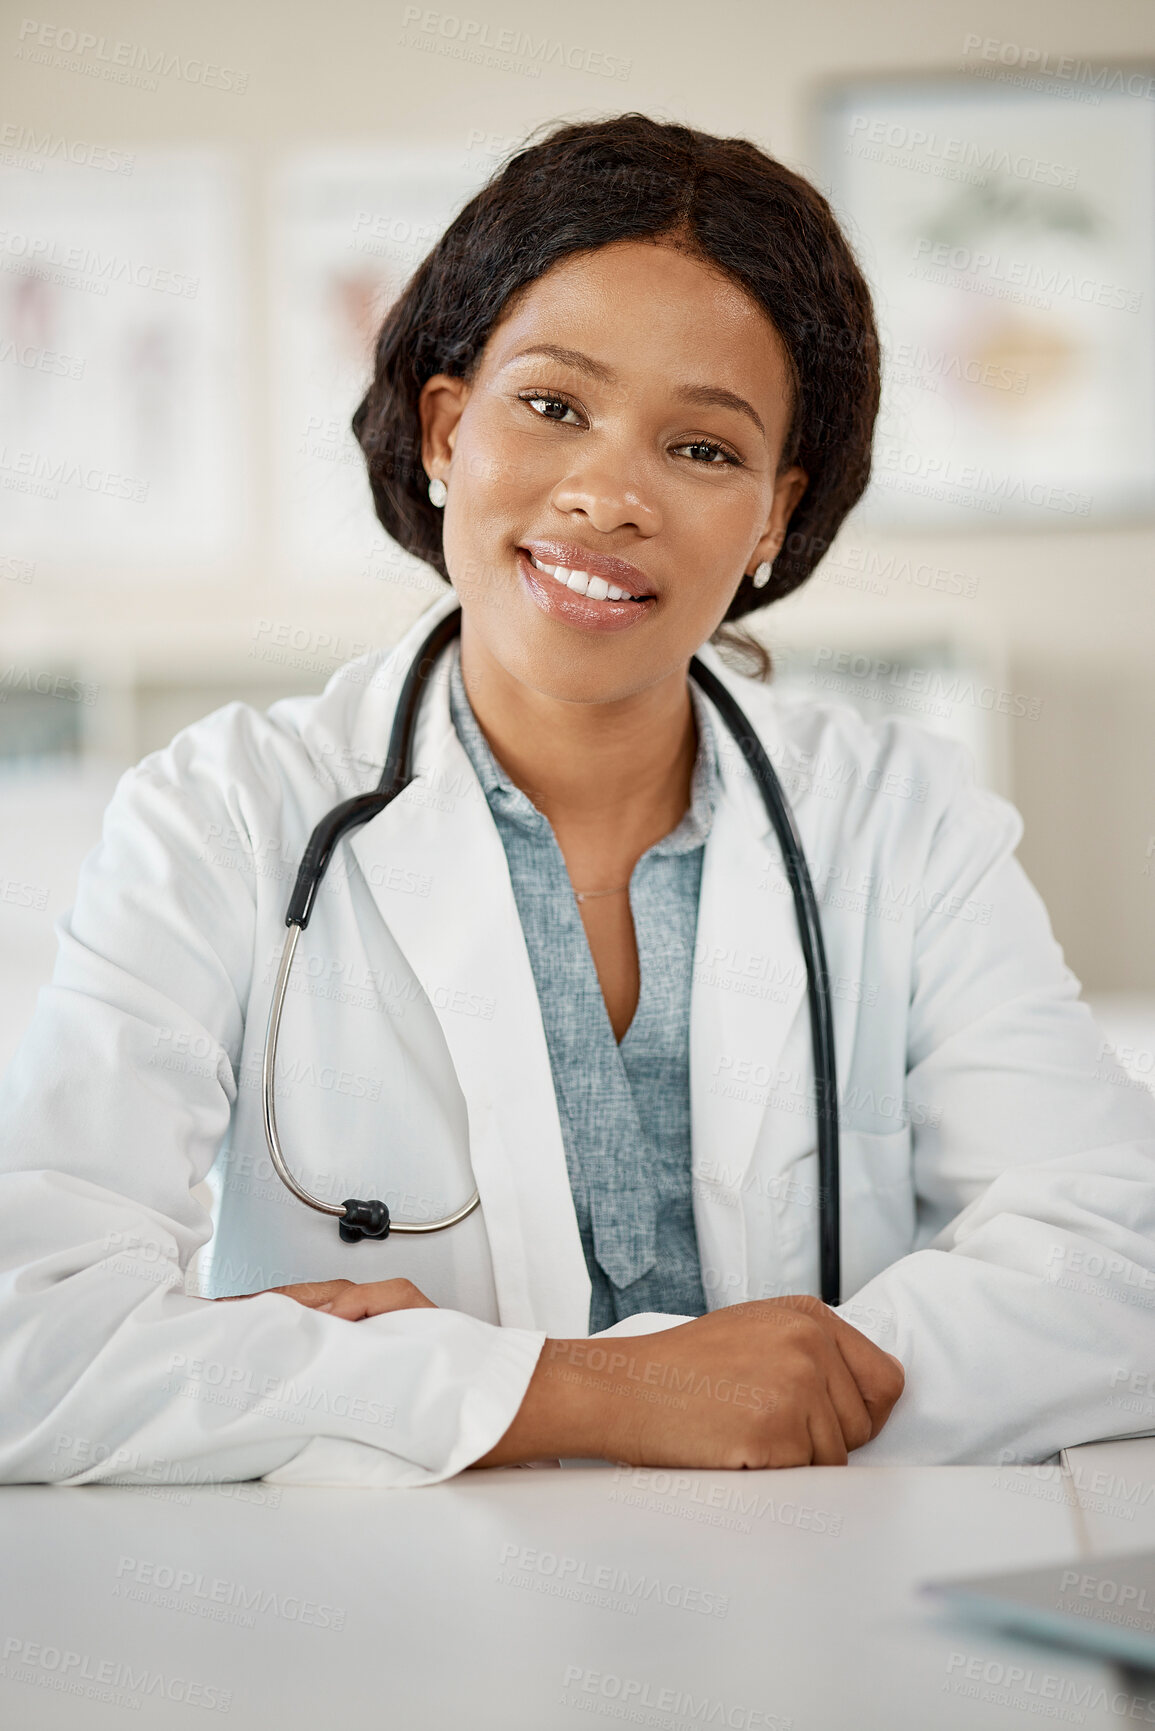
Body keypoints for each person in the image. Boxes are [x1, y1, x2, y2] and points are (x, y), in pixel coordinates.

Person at [2, 114, 1153, 1493]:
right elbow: (31, 1338)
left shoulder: (899, 818)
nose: (609, 494)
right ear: (444, 429)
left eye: (705, 451)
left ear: (778, 517)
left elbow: (1119, 1270)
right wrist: (598, 1390)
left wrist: (352, 1394)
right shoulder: (223, 816)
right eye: (553, 407)